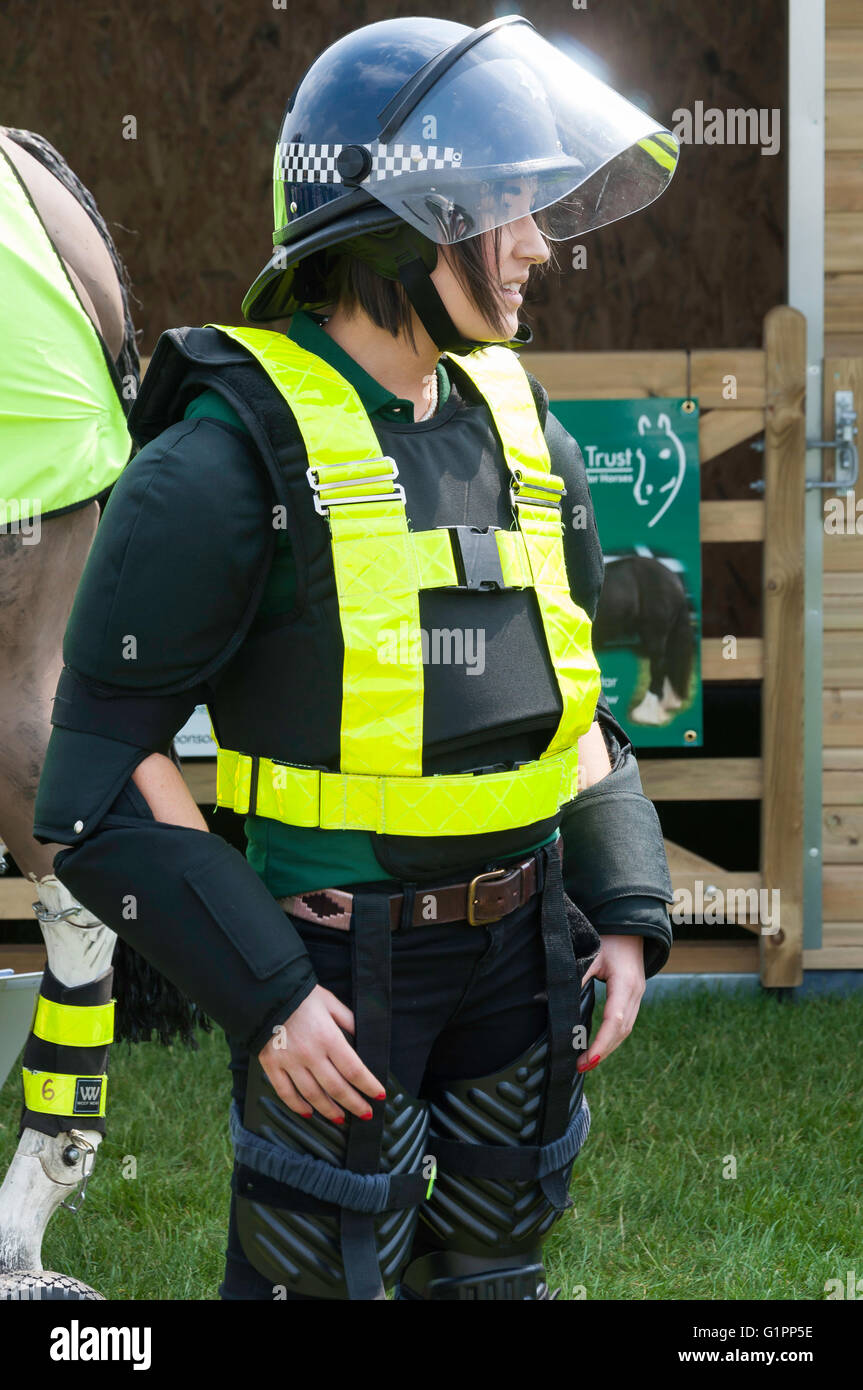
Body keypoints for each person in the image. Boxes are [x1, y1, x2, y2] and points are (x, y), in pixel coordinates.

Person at [33, 14, 679, 1301]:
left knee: (496, 1278)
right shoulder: (219, 461)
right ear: (407, 212)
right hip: (332, 982)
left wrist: (624, 909)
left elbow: (576, 702)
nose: (538, 242)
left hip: (523, 961)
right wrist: (268, 995)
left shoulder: (520, 419)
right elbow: (98, 779)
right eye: (504, 204)